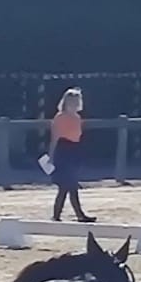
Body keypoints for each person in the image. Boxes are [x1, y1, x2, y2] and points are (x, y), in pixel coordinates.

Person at [47, 88, 96, 223]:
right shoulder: (60, 117)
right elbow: (55, 137)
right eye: (71, 102)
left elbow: (78, 136)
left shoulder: (77, 118)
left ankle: (57, 215)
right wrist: (51, 156)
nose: (73, 105)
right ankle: (78, 214)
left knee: (65, 187)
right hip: (63, 150)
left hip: (74, 149)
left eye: (76, 102)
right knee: (70, 185)